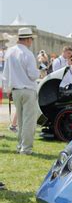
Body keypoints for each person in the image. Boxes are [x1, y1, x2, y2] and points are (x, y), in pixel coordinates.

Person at [2, 27, 40, 155]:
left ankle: (20, 146)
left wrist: (8, 89)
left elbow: (5, 74)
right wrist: (39, 71)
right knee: (29, 121)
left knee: (20, 121)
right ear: (28, 39)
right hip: (28, 89)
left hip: (15, 90)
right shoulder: (28, 54)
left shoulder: (10, 52)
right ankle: (26, 148)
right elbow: (33, 75)